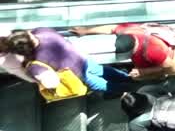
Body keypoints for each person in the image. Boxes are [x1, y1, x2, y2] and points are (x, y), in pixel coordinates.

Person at [2, 27, 130, 95]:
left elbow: (51, 83)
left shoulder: (35, 65)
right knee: (103, 70)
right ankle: (128, 77)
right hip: (82, 58)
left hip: (78, 75)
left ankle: (127, 90)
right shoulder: (42, 30)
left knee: (100, 84)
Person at [68, 23, 175, 83]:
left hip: (169, 60)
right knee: (138, 78)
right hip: (148, 64)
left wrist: (143, 71)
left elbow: (168, 65)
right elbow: (110, 28)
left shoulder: (153, 50)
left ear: (134, 49)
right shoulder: (127, 31)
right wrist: (86, 31)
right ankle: (159, 78)